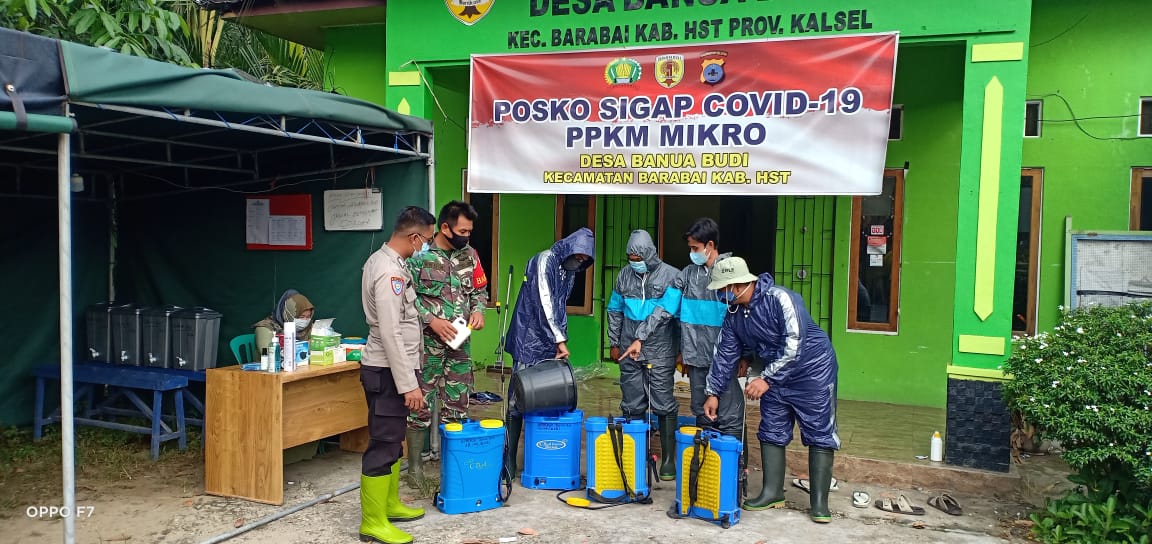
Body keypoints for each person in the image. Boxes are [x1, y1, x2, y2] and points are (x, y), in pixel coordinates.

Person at [703, 257, 840, 524]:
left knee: (819, 430)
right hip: (774, 375)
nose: (722, 294)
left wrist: (765, 379)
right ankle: (772, 492)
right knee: (772, 428)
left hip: (813, 371)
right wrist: (713, 392)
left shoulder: (781, 298)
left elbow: (795, 344)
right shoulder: (734, 315)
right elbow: (725, 355)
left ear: (739, 284)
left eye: (724, 288)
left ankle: (820, 503)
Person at [357, 206, 437, 544]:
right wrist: (409, 385)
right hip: (388, 370)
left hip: (393, 367)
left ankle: (388, 504)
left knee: (393, 441)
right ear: (414, 237)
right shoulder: (388, 271)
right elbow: (390, 332)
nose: (427, 247)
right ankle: (373, 523)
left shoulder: (390, 263)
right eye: (427, 241)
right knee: (383, 444)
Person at [502, 227, 596, 476]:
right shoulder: (544, 261)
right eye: (579, 256)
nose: (580, 262)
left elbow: (560, 306)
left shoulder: (570, 270)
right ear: (569, 247)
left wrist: (559, 339)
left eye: (585, 260)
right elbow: (544, 302)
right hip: (528, 337)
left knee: (542, 396)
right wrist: (559, 340)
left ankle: (539, 456)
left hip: (548, 341)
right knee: (518, 397)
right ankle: (508, 460)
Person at [405, 200, 488, 478]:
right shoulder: (419, 257)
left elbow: (479, 291)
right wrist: (432, 320)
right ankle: (415, 469)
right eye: (462, 231)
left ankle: (453, 470)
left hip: (460, 346)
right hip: (426, 346)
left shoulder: (470, 256)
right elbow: (406, 299)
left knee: (458, 406)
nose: (467, 236)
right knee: (419, 406)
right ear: (444, 228)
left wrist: (478, 311)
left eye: (469, 231)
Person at [607, 229, 681, 481]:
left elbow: (666, 313)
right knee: (631, 398)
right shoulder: (623, 276)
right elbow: (614, 309)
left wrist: (678, 350)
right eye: (630, 256)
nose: (633, 261)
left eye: (637, 256)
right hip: (628, 347)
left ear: (649, 253)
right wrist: (614, 341)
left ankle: (669, 459)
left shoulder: (672, 276)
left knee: (662, 399)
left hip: (660, 348)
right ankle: (634, 453)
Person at [673, 218, 743, 437]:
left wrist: (746, 355)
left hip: (723, 358)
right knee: (702, 412)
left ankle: (736, 467)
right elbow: (674, 312)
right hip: (695, 357)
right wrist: (681, 351)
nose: (692, 252)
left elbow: (743, 316)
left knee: (728, 414)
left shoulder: (730, 272)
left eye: (695, 248)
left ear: (710, 246)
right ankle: (707, 465)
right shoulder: (688, 274)